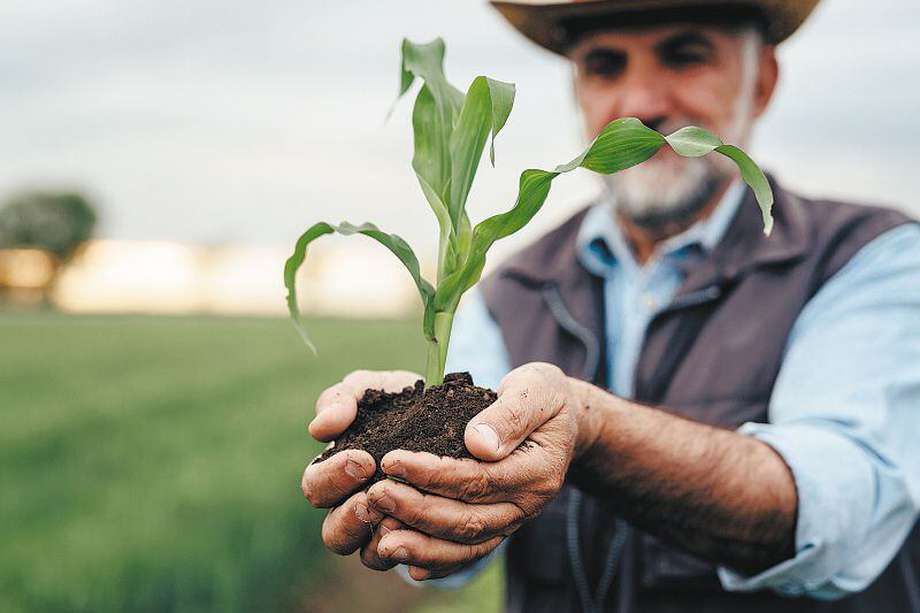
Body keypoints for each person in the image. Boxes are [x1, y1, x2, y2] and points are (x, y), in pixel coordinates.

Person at [300, 1, 920, 611]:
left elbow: (845, 511)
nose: (641, 104)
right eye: (605, 66)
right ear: (577, 90)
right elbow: (460, 543)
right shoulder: (509, 290)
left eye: (684, 56)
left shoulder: (868, 257)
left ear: (761, 82)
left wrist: (591, 426)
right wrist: (406, 473)